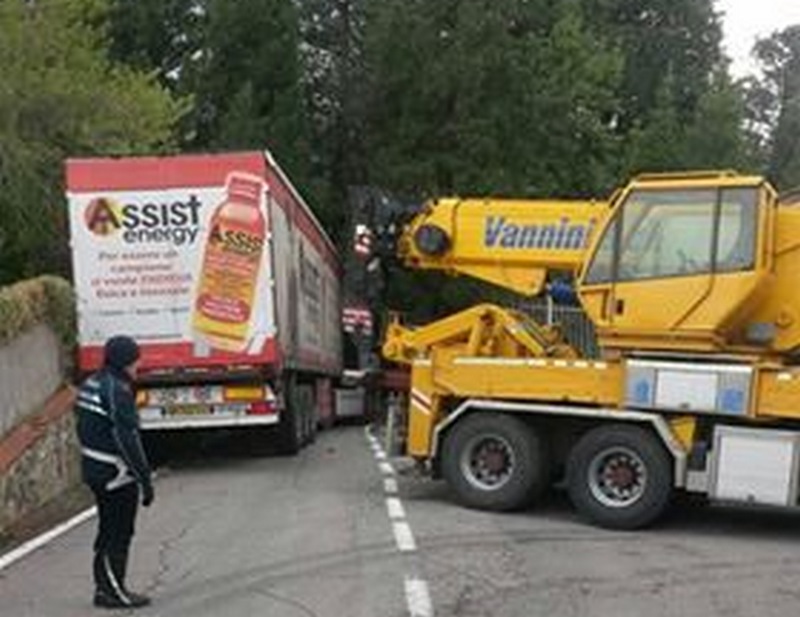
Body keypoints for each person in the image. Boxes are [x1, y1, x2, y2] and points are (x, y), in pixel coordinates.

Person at [75, 335, 154, 609]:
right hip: (114, 473)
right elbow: (127, 439)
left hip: (95, 467)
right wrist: (145, 480)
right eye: (135, 359)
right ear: (124, 361)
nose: (139, 364)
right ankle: (113, 591)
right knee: (119, 531)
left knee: (107, 529)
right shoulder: (117, 390)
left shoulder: (91, 383)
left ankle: (104, 588)